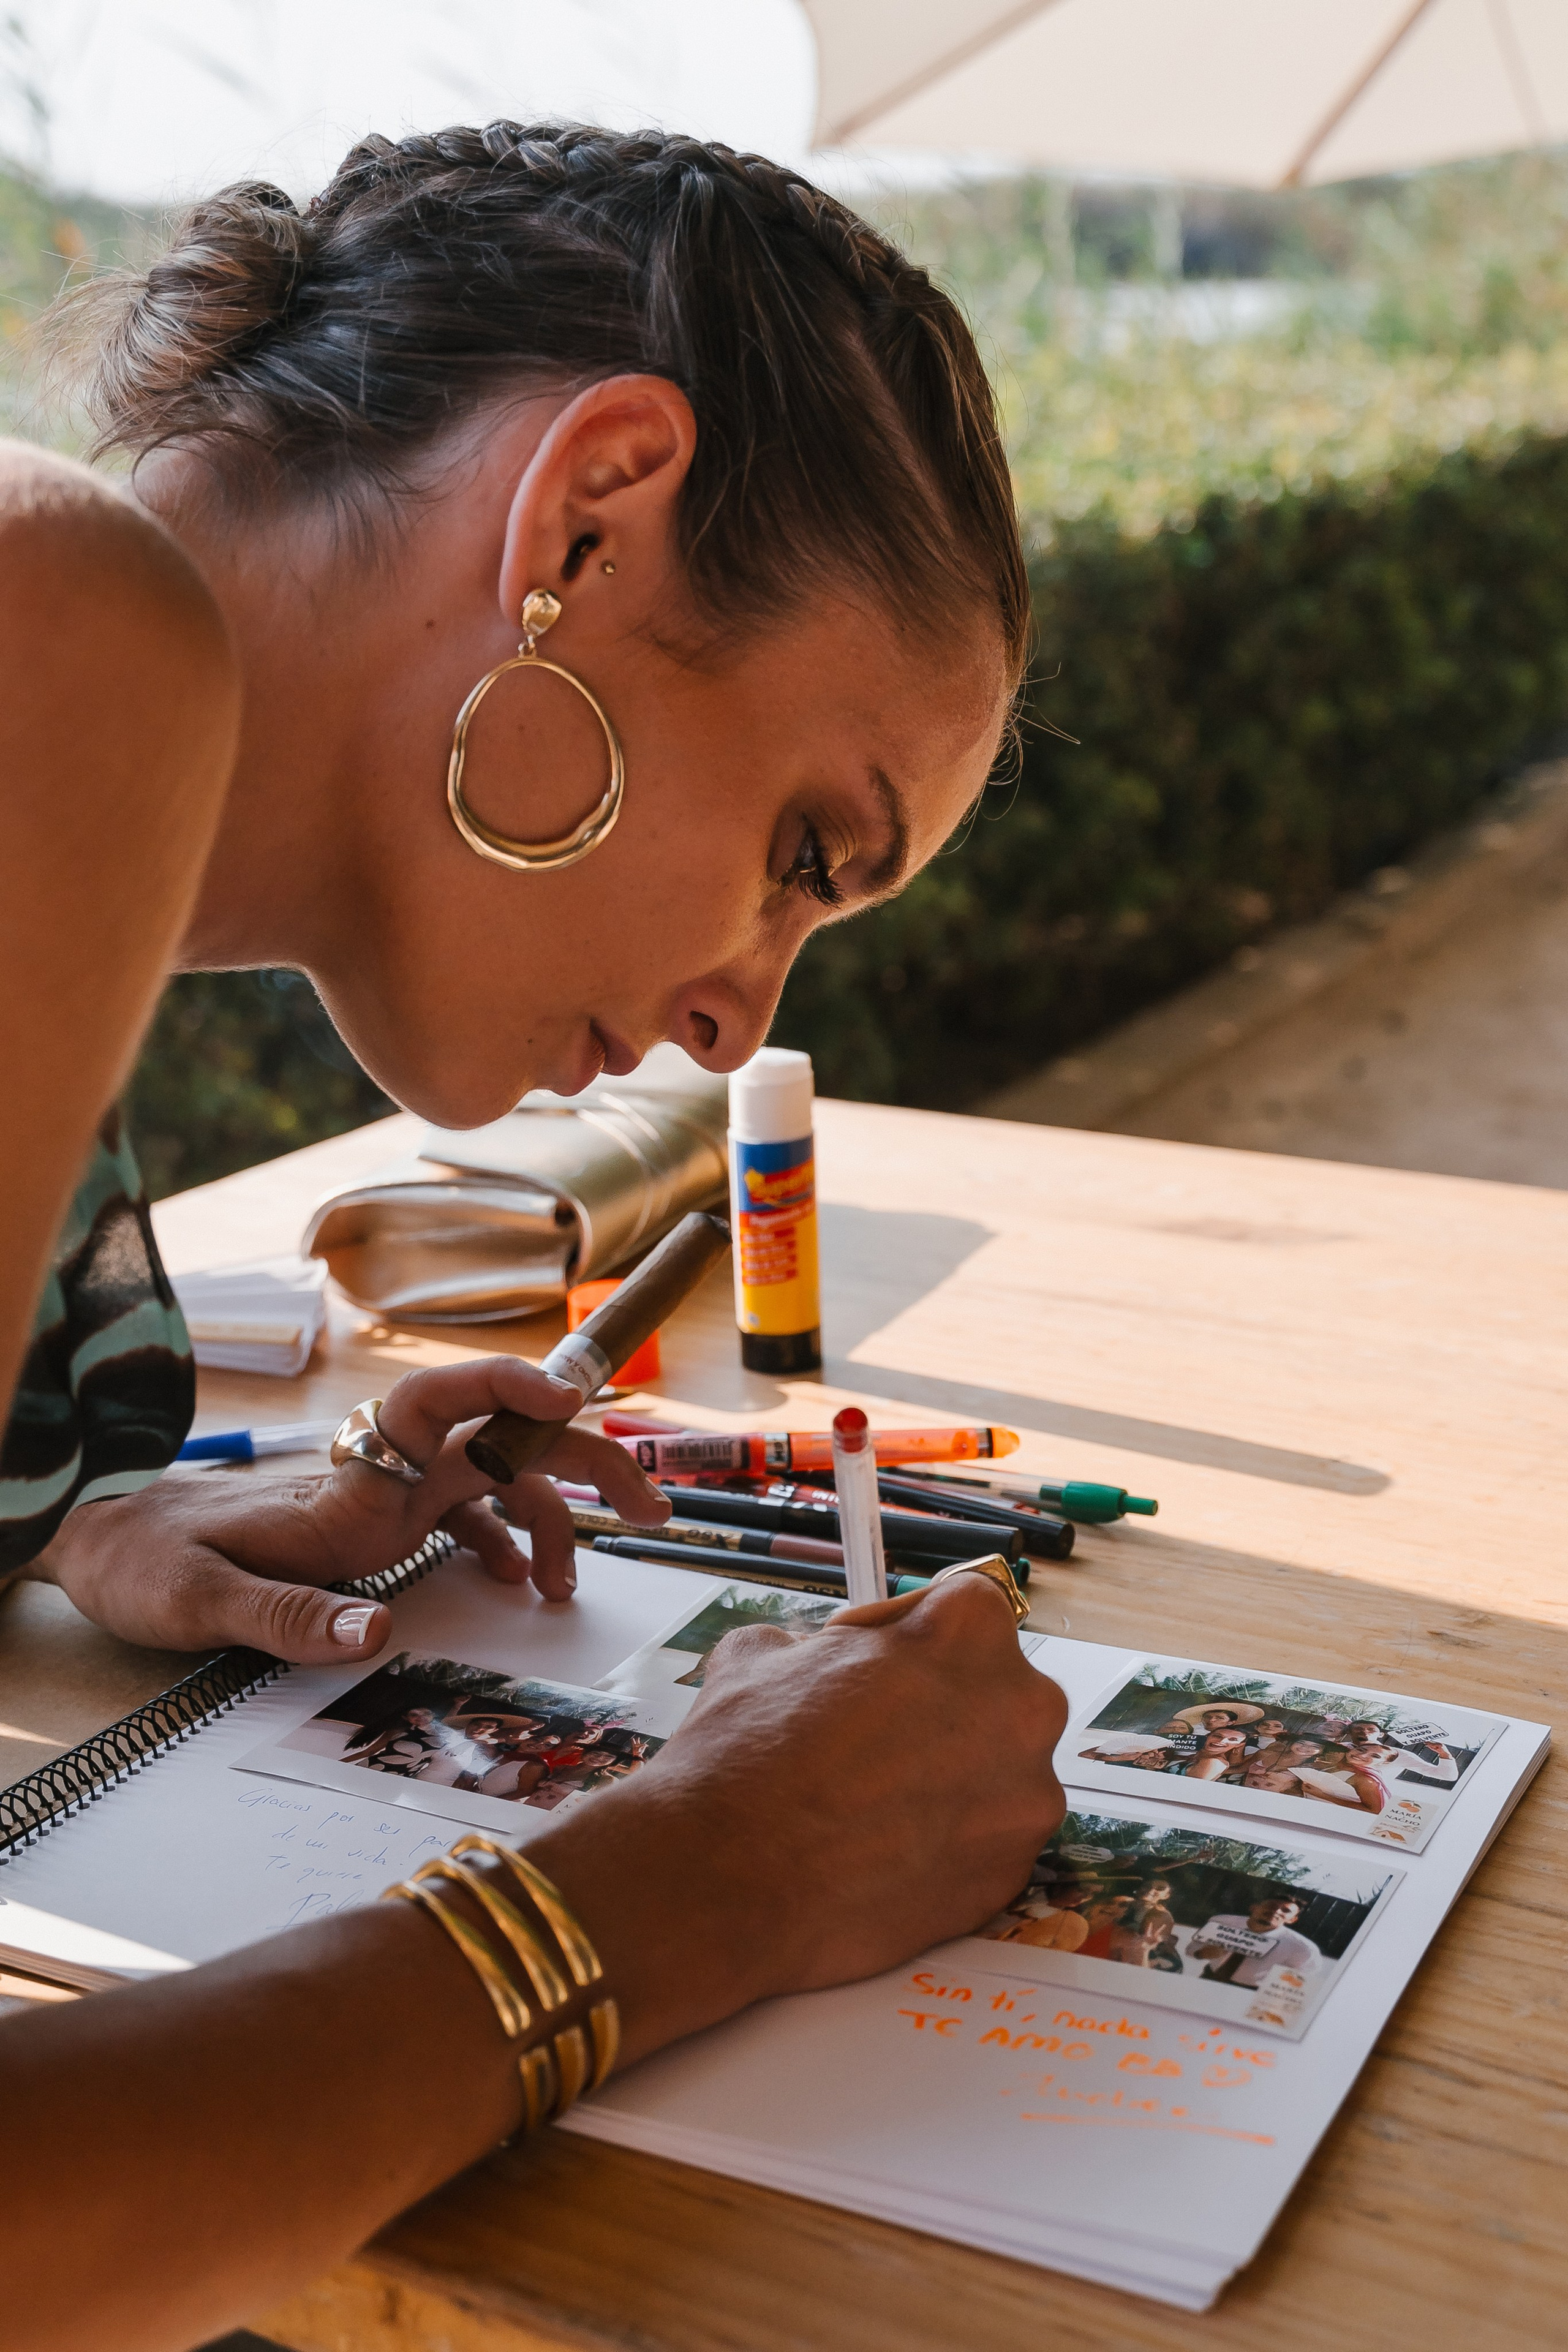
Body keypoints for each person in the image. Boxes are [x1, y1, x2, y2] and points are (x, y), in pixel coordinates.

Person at [0, 122, 1069, 2351]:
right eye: (802, 843)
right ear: (585, 518)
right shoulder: (54, 633)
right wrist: (706, 1877)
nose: (735, 1016)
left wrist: (72, 1521)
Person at [1187, 1896, 1321, 1986]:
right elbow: (1191, 1949)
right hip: (1209, 1979)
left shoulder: (1303, 1949)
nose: (1276, 1911)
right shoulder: (1222, 1922)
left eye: (1286, 1911)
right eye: (1272, 1905)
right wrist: (1202, 1954)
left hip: (1250, 1994)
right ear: (1254, 1907)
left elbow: (1301, 1983)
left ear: (1292, 1920)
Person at [1182, 1726, 1251, 1781]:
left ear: (1239, 1745)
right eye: (1218, 1736)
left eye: (1233, 1740)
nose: (1222, 1741)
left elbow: (1190, 1787)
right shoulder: (1200, 1756)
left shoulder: (1214, 1762)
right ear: (1207, 1736)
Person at [1076, 1896, 1136, 1961]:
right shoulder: (1075, 1922)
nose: (1113, 1906)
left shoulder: (1120, 1936)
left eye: (1122, 1905)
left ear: (1125, 1914)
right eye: (1110, 1903)